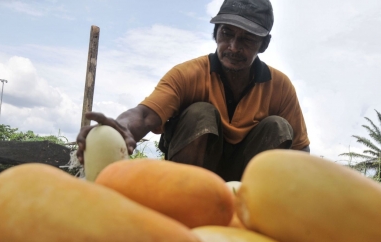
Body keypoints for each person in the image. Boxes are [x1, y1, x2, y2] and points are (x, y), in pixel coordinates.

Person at [76, 0, 310, 181]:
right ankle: (180, 205)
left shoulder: (279, 86)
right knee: (201, 113)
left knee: (278, 127)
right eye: (226, 33)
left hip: (246, 183)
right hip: (191, 181)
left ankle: (256, 208)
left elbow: (301, 151)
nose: (233, 47)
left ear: (264, 44)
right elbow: (145, 114)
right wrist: (118, 130)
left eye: (247, 39)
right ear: (215, 33)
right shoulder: (188, 74)